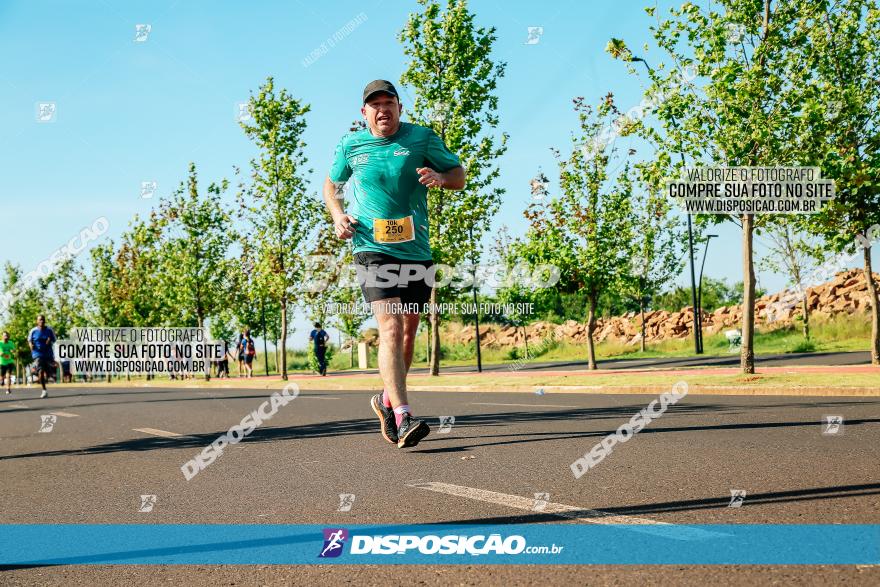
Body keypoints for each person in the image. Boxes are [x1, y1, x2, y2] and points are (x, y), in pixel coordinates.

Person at [323, 80, 466, 449]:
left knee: (408, 332)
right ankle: (403, 416)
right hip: (370, 245)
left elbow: (458, 176)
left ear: (400, 108)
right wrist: (338, 214)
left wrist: (440, 178)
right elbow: (331, 185)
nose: (383, 109)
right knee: (390, 325)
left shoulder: (422, 138)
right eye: (375, 105)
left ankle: (385, 400)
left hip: (416, 250)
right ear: (364, 113)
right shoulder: (350, 145)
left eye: (390, 103)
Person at [28, 315, 57, 398]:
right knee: (41, 371)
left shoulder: (49, 330)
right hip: (37, 353)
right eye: (40, 320)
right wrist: (31, 346)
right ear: (37, 321)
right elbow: (29, 340)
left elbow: (54, 339)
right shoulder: (33, 331)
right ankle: (44, 390)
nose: (42, 321)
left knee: (49, 370)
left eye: (43, 319)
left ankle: (48, 376)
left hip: (48, 353)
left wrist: (49, 340)